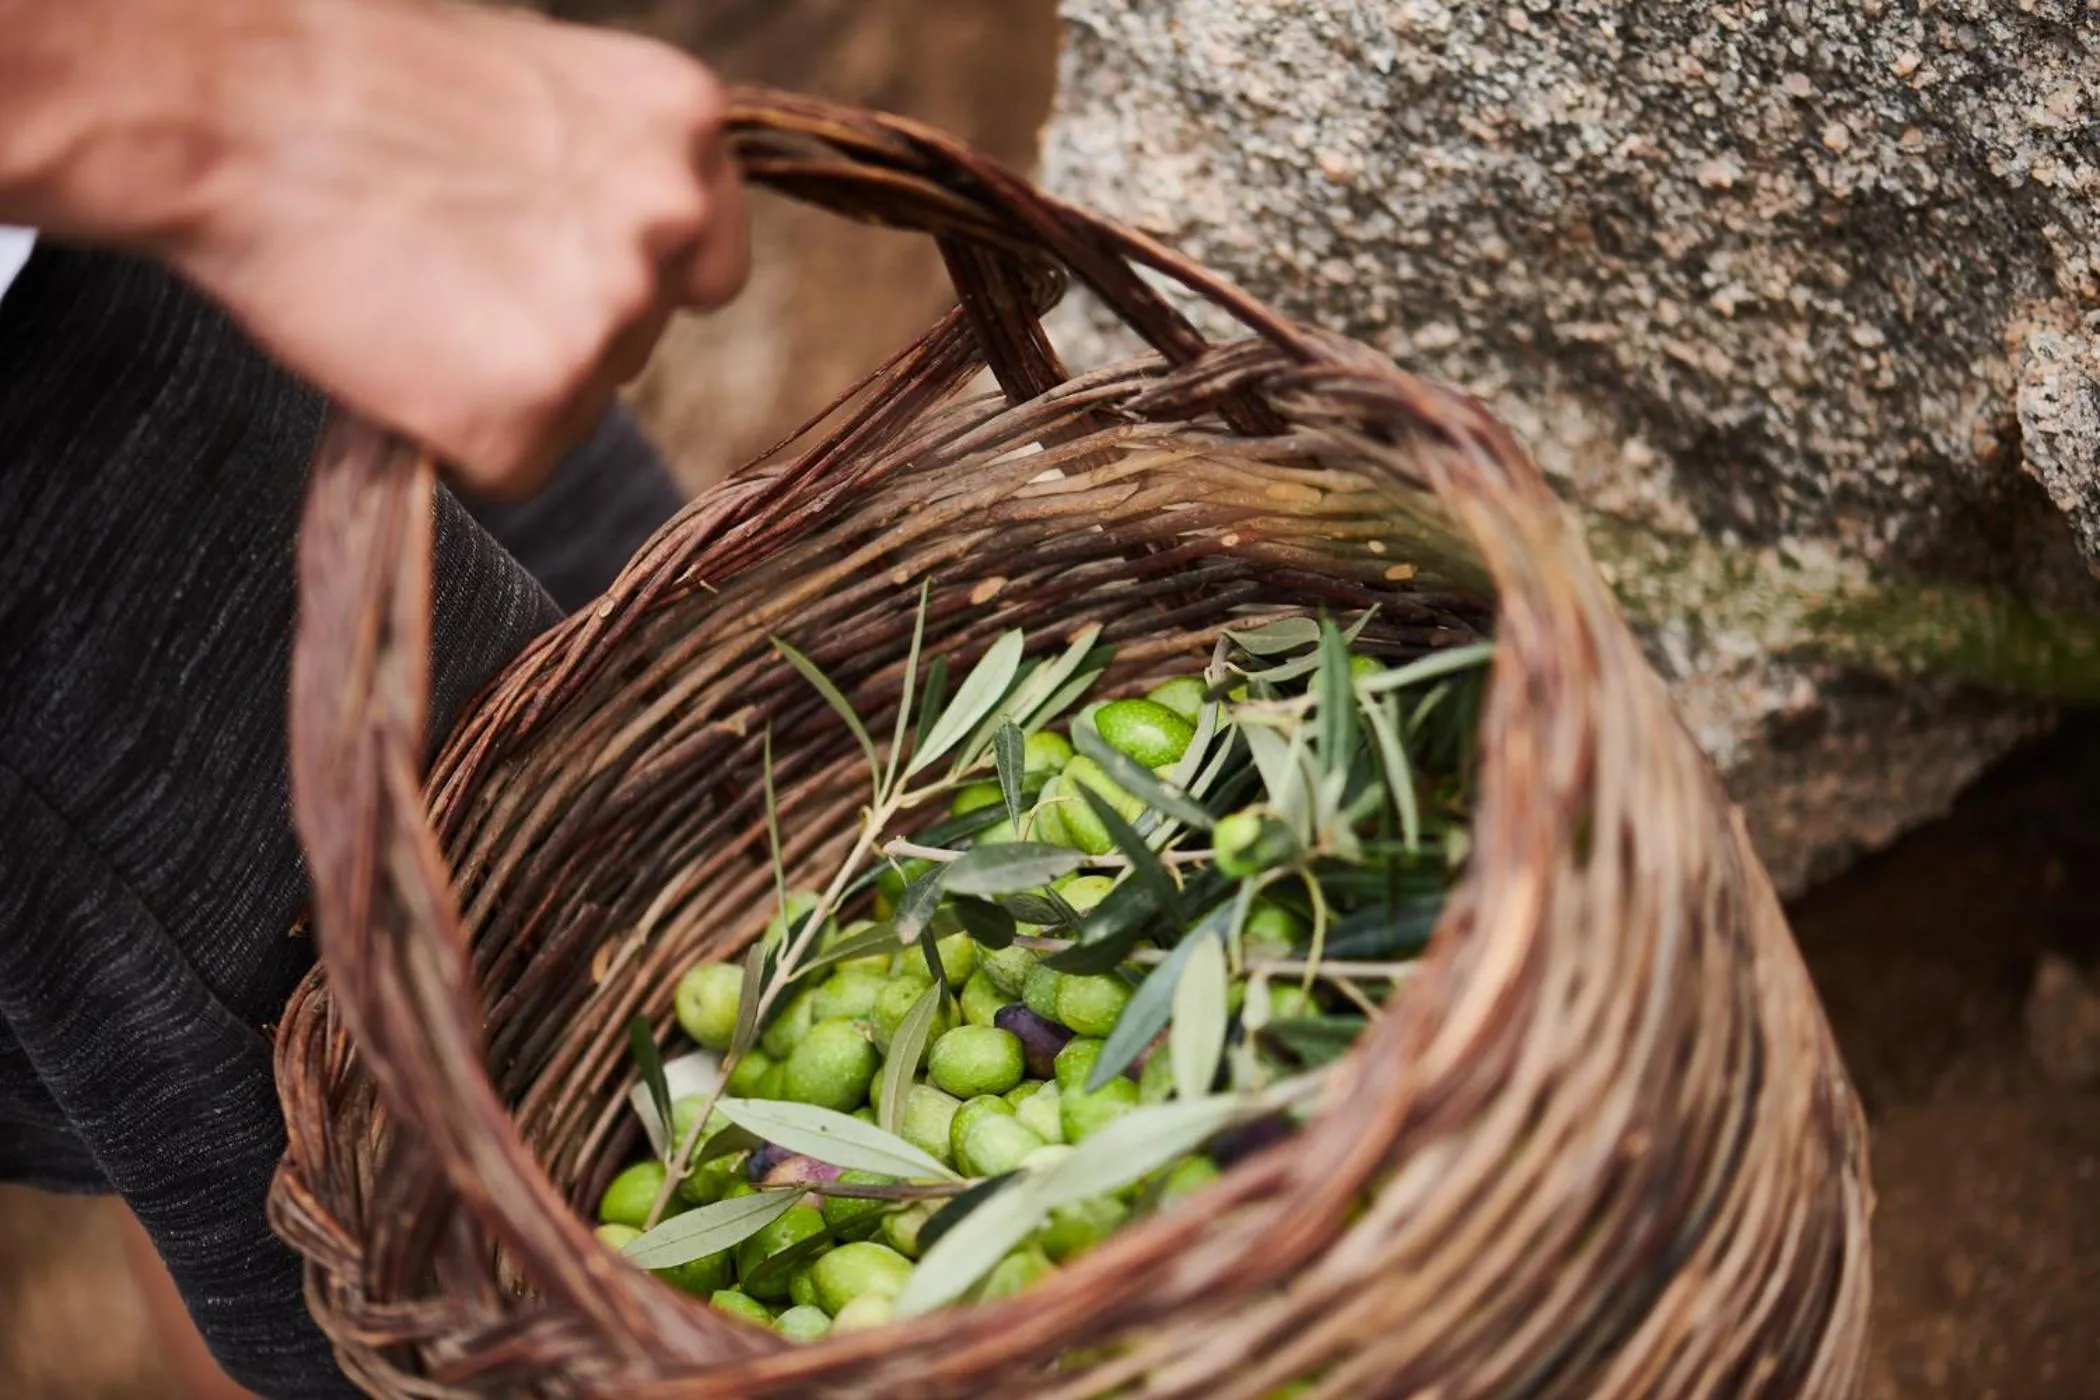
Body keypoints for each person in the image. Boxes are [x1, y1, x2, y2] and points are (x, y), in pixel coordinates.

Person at [0, 0, 751, 1393]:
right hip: (62, 323)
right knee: (391, 1229)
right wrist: (246, 109)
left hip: (203, 138)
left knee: (703, 824)